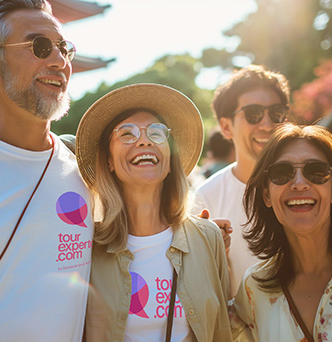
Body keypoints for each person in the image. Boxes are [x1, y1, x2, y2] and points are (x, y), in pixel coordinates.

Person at [76, 83, 233, 341]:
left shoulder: (209, 237)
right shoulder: (88, 247)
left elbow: (221, 331)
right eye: (127, 133)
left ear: (170, 159)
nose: (145, 140)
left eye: (157, 133)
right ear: (108, 161)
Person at [0, 1, 93, 341]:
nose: (59, 62)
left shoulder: (87, 167)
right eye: (40, 46)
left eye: (65, 49)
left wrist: (203, 236)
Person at [194, 64, 290, 297]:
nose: (267, 124)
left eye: (276, 112)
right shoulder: (207, 198)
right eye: (253, 114)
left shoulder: (310, 184)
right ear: (227, 127)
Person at [231, 123, 332, 341]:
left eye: (316, 171)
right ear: (266, 195)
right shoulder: (254, 287)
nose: (298, 183)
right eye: (281, 173)